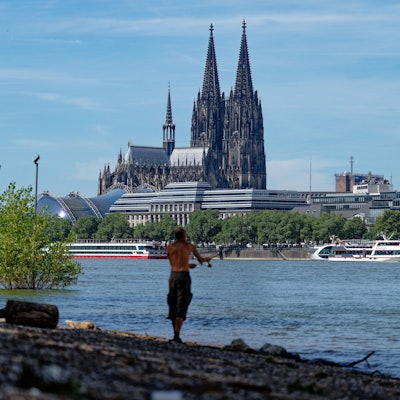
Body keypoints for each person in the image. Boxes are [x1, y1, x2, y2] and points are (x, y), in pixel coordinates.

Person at [167, 226, 211, 343]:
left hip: (173, 276)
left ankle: (174, 334)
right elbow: (201, 260)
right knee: (182, 303)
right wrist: (207, 259)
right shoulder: (189, 246)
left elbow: (173, 263)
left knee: (173, 302)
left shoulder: (170, 247)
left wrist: (188, 265)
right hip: (184, 277)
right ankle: (177, 335)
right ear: (184, 235)